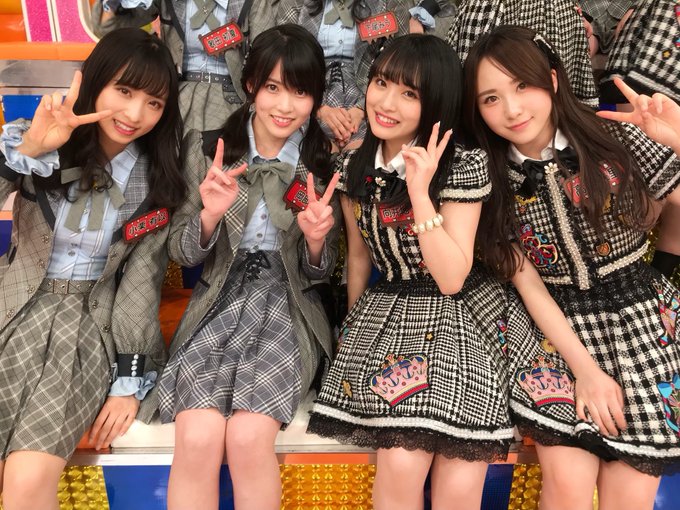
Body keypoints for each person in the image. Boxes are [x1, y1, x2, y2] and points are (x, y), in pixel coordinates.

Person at [464, 25, 680, 510]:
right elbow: (528, 284)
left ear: (553, 79)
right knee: (567, 485)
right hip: (550, 334)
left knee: (631, 493)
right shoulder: (488, 175)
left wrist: (679, 138)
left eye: (523, 86)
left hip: (641, 324)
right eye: (491, 98)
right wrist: (585, 371)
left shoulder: (616, 137)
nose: (512, 109)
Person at [307, 34, 514, 510]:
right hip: (388, 312)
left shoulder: (463, 163)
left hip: (463, 316)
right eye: (381, 83)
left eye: (409, 94)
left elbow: (452, 277)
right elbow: (359, 257)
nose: (386, 103)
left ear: (436, 102)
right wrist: (351, 329)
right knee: (400, 466)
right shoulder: (354, 164)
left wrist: (420, 194)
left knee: (460, 478)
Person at [0, 27, 185, 510]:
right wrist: (30, 151)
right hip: (11, 309)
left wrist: (129, 381)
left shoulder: (157, 180)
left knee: (26, 483)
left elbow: (141, 284)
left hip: (83, 332)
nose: (135, 114)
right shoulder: (42, 141)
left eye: (153, 103)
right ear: (95, 82)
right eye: (124, 91)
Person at [158, 24, 341, 510]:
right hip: (218, 302)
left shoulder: (323, 163)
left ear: (315, 98)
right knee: (196, 436)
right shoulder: (207, 149)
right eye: (273, 88)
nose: (285, 105)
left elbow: (321, 274)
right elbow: (181, 254)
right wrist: (208, 216)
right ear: (251, 85)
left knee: (247, 437)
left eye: (300, 92)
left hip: (289, 308)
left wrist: (317, 243)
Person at [276, 0, 456, 150]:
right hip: (309, 88)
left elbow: (399, 61)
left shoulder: (389, 3)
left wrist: (361, 110)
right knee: (312, 151)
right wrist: (318, 108)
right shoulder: (294, 3)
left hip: (369, 89)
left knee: (361, 154)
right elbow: (283, 58)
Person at [92, 0, 278, 133]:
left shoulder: (254, 3)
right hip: (173, 96)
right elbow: (107, 27)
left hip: (233, 99)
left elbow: (268, 55)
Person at [601, 0, 680, 280]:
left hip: (658, 47)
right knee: (643, 135)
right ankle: (650, 272)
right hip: (654, 39)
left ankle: (658, 277)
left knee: (659, 164)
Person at [446, 0, 599, 107]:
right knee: (479, 92)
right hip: (486, 11)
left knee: (550, 97)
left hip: (553, 12)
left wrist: (578, 12)